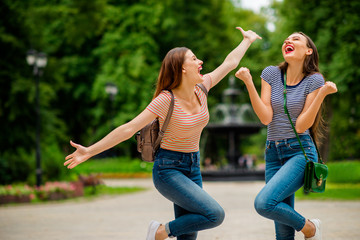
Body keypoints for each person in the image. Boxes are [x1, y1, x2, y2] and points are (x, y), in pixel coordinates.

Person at [64, 27, 261, 240]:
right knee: (214, 214)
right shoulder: (166, 100)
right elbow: (128, 128)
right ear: (182, 68)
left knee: (189, 235)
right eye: (194, 59)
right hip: (168, 170)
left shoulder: (202, 88)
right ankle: (160, 232)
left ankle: (163, 232)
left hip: (193, 166)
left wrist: (247, 40)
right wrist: (89, 151)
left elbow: (230, 63)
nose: (200, 62)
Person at [235, 32, 337, 240]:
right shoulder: (271, 74)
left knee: (264, 203)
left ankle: (309, 228)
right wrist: (248, 82)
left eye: (296, 39)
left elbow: (302, 126)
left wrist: (321, 94)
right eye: (286, 39)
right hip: (273, 152)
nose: (288, 41)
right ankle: (309, 229)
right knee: (282, 230)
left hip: (300, 152)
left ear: (309, 51)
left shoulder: (314, 80)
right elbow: (266, 117)